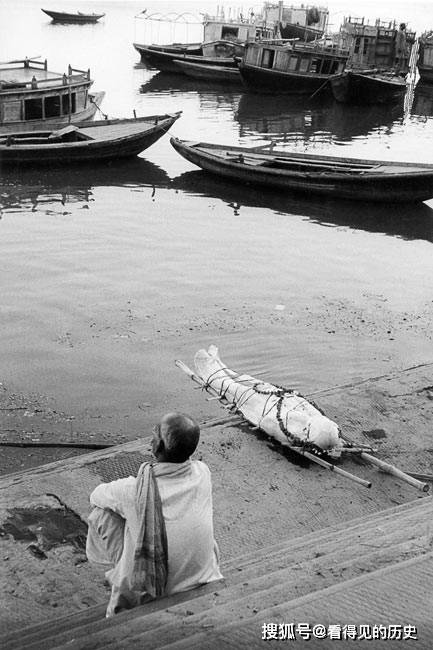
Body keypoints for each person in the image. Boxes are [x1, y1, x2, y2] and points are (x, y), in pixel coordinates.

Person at [86, 412, 223, 617]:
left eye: (155, 434)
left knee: (101, 514)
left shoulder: (132, 491)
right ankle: (126, 564)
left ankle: (124, 574)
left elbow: (96, 496)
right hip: (202, 577)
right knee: (138, 520)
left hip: (156, 591)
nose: (151, 437)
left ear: (157, 447)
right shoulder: (203, 473)